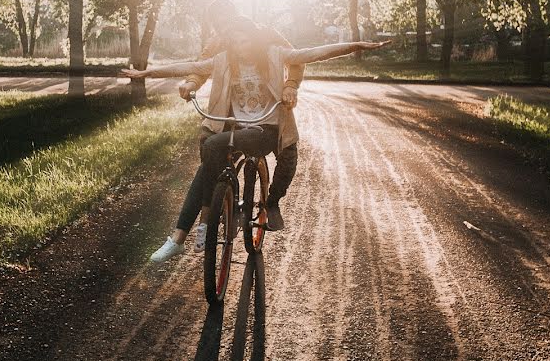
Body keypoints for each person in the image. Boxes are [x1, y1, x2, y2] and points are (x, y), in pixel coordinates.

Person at [122, 16, 390, 262]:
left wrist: (356, 45)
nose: (241, 47)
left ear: (256, 38)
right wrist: (145, 74)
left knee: (225, 147)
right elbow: (191, 66)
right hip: (238, 128)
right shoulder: (225, 60)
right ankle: (183, 234)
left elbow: (312, 54)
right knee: (208, 159)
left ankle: (263, 205)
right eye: (235, 42)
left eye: (245, 40)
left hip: (266, 130)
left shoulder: (274, 54)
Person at [177, 0, 302, 246]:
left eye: (226, 23)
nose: (223, 31)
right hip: (231, 114)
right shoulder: (217, 44)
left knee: (288, 154)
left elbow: (296, 59)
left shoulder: (266, 35)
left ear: (236, 18)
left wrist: (290, 86)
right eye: (218, 26)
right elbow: (200, 68)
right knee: (210, 148)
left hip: (269, 114)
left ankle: (273, 202)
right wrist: (190, 83)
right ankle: (225, 198)